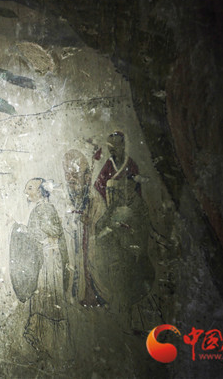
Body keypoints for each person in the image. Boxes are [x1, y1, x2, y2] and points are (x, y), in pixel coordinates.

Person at [90, 131, 155, 314]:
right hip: (114, 225)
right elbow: (99, 184)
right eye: (109, 148)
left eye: (115, 146)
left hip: (130, 235)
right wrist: (110, 197)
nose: (112, 151)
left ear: (123, 145)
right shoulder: (109, 165)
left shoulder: (130, 165)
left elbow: (140, 221)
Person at [20, 178, 71, 352]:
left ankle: (51, 341)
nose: (26, 192)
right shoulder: (40, 209)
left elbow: (54, 232)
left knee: (48, 298)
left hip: (49, 258)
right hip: (44, 257)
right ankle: (41, 337)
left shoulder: (45, 208)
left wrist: (28, 232)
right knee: (41, 297)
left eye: (30, 188)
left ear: (40, 192)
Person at [62, 150, 106, 307]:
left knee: (89, 265)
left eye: (75, 174)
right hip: (74, 243)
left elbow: (101, 221)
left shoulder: (95, 199)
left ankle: (93, 294)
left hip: (90, 243)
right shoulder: (66, 197)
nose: (71, 179)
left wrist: (90, 223)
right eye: (67, 174)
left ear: (87, 177)